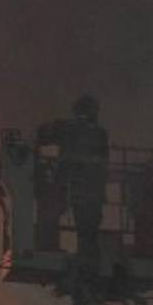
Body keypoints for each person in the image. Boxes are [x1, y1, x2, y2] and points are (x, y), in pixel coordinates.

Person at [36, 95, 108, 260]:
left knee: (53, 214)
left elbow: (42, 134)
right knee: (88, 227)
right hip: (91, 190)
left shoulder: (66, 127)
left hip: (72, 186)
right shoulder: (100, 133)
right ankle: (88, 254)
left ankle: (49, 244)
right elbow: (103, 163)